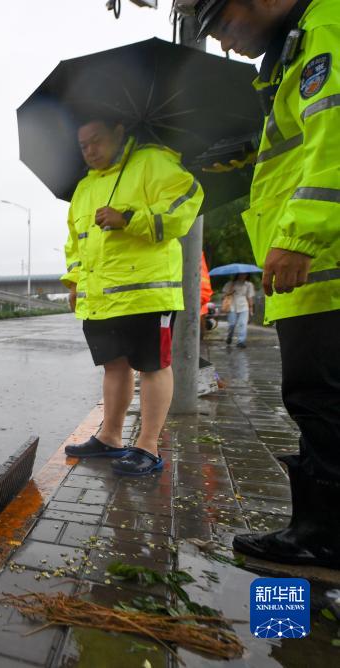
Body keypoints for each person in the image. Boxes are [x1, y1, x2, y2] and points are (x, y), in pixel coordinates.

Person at [176, 0, 340, 569]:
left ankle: (320, 545)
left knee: (321, 399)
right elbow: (301, 147)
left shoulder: (324, 29)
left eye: (221, 22)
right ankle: (315, 531)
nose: (223, 42)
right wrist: (248, 153)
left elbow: (335, 138)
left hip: (323, 263)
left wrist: (302, 233)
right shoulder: (291, 56)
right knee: (313, 401)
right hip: (316, 271)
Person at [61, 116, 204, 475]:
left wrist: (130, 218)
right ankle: (110, 437)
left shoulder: (153, 161)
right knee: (114, 366)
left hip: (148, 294)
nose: (90, 151)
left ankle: (148, 446)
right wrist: (75, 281)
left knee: (153, 367)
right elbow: (75, 243)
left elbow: (186, 203)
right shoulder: (83, 189)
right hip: (102, 297)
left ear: (119, 133)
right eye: (83, 146)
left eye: (96, 140)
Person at [222, 273, 255, 347]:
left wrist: (251, 308)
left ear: (247, 275)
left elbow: (250, 297)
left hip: (244, 306)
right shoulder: (230, 284)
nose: (243, 275)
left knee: (243, 324)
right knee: (232, 324)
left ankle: (241, 341)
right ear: (238, 274)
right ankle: (229, 336)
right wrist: (230, 292)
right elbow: (223, 296)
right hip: (232, 306)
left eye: (245, 274)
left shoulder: (249, 284)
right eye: (241, 274)